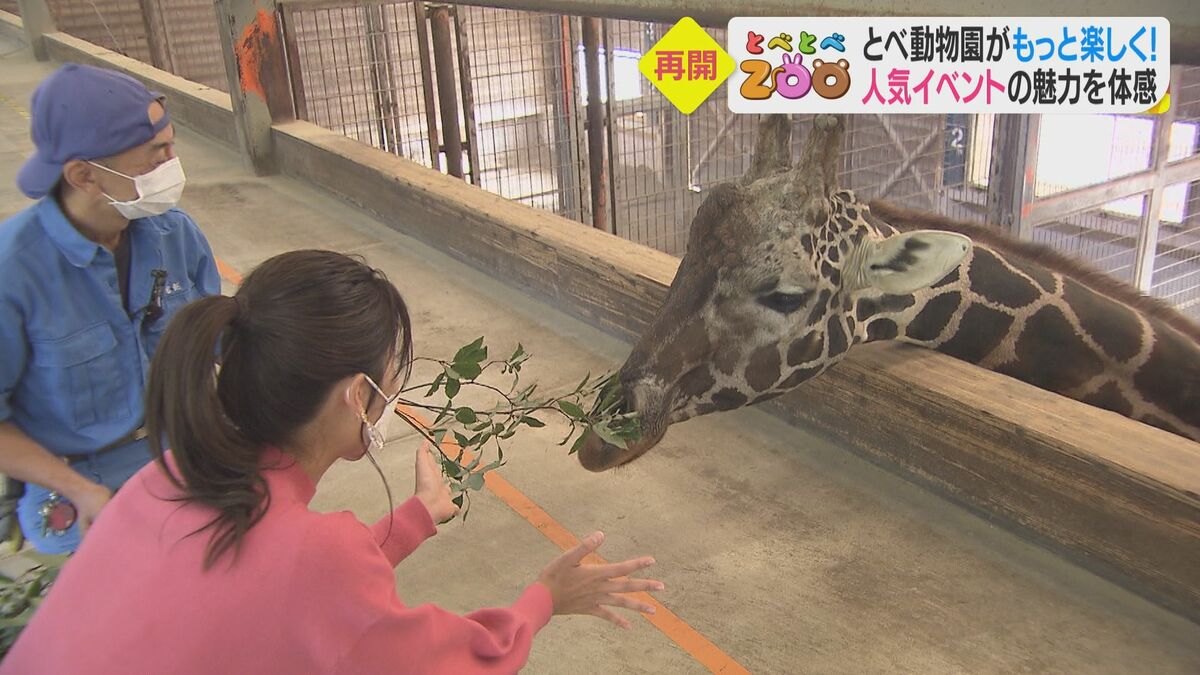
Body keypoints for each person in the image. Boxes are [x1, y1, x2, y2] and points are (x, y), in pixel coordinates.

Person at [2, 250, 664, 673]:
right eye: (389, 377)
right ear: (358, 394)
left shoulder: (167, 476)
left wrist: (410, 521)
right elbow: (444, 661)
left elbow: (279, 589)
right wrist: (543, 600)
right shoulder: (316, 556)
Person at [0, 63, 221, 553]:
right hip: (80, 487)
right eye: (155, 154)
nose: (172, 163)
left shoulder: (174, 233)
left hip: (183, 454)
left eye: (172, 146)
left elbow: (217, 333)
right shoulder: (14, 273)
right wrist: (80, 491)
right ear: (84, 174)